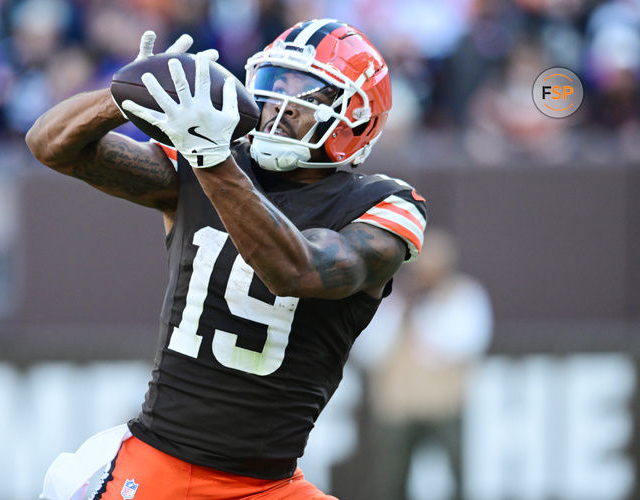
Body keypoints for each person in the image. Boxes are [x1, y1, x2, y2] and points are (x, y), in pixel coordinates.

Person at [26, 19, 427, 500]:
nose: (280, 106)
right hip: (162, 464)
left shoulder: (383, 205)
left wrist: (212, 158)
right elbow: (51, 145)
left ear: (357, 120)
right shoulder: (208, 159)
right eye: (274, 86)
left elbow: (296, 270)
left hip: (269, 485)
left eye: (305, 96)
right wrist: (128, 91)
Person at [352, 229, 492, 499]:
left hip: (445, 407)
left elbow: (461, 345)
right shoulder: (387, 299)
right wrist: (401, 311)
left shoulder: (464, 297)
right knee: (392, 480)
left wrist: (422, 314)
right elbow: (369, 351)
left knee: (456, 477)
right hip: (396, 408)